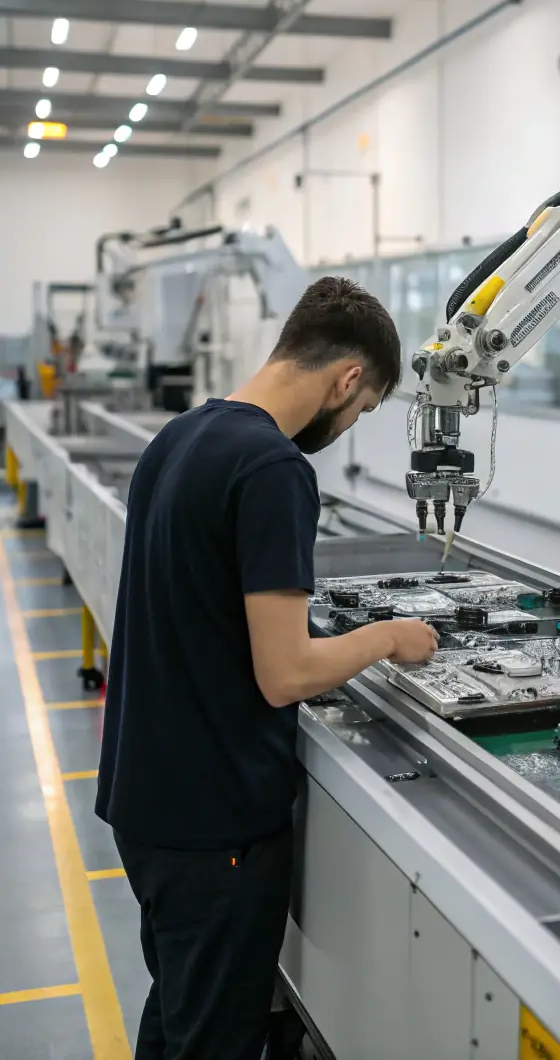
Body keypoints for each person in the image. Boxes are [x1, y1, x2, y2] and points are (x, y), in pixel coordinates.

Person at [96, 276, 438, 1060]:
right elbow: (284, 672)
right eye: (362, 411)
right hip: (215, 827)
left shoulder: (179, 438)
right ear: (348, 379)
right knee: (213, 1038)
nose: (347, 426)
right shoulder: (275, 469)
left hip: (147, 804)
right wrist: (388, 637)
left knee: (178, 1011)